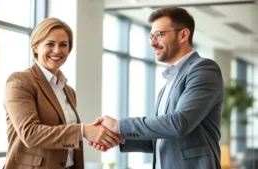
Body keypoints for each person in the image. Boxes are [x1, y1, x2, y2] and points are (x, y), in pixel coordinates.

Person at [91, 7, 224, 169]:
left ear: (183, 35)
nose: (153, 43)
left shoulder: (204, 69)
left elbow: (179, 123)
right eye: (151, 36)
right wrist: (120, 136)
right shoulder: (167, 83)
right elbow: (161, 138)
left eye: (159, 35)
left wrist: (119, 125)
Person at [3, 17, 122, 169]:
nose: (57, 50)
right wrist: (83, 131)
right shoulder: (21, 81)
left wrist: (98, 135)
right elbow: (30, 134)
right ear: (35, 47)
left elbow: (64, 136)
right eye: (50, 44)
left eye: (63, 45)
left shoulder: (68, 90)